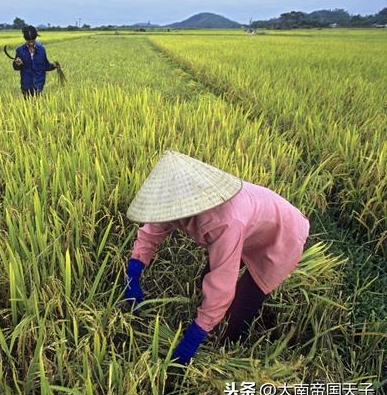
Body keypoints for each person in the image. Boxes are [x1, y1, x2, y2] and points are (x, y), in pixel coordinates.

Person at [124, 151, 310, 365]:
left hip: (282, 233)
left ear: (190, 206)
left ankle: (228, 350)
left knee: (242, 306)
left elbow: (222, 283)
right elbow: (151, 232)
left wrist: (192, 340)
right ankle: (208, 319)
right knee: (206, 278)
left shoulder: (225, 222)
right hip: (251, 225)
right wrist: (134, 272)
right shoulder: (172, 202)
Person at [12, 25, 60, 97]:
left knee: (38, 105)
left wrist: (54, 66)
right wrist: (17, 64)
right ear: (25, 39)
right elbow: (15, 67)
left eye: (33, 41)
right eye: (29, 41)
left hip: (38, 85)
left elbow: (45, 66)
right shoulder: (20, 51)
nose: (31, 43)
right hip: (26, 86)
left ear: (36, 38)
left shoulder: (41, 50)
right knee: (27, 106)